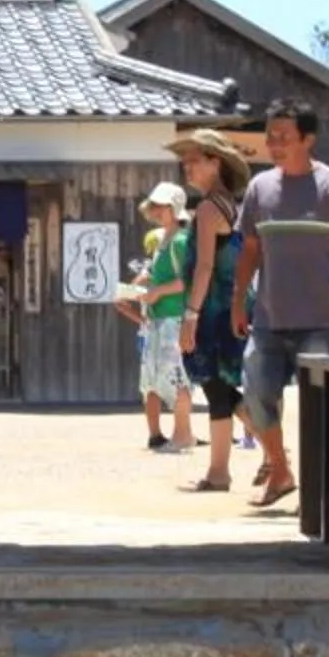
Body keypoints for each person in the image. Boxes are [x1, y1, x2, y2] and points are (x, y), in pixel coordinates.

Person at [232, 102, 329, 510]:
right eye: (270, 136)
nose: (274, 144)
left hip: (319, 321)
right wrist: (239, 301)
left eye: (283, 137)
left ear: (308, 139)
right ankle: (280, 469)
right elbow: (250, 250)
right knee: (255, 394)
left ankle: (327, 493)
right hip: (268, 318)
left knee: (324, 410)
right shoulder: (259, 189)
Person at [167, 129, 250, 493]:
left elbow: (203, 267)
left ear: (216, 163)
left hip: (212, 310)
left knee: (220, 388)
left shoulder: (207, 208)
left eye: (195, 160)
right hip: (230, 305)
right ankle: (220, 470)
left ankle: (276, 457)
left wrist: (190, 316)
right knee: (221, 391)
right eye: (185, 161)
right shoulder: (231, 204)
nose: (188, 167)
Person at [131, 180, 195, 454]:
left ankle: (182, 434)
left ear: (174, 208)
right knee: (155, 377)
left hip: (174, 317)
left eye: (161, 206)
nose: (156, 211)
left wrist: (157, 291)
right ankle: (168, 434)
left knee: (176, 375)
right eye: (154, 206)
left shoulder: (180, 240)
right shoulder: (162, 240)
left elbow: (188, 281)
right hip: (158, 318)